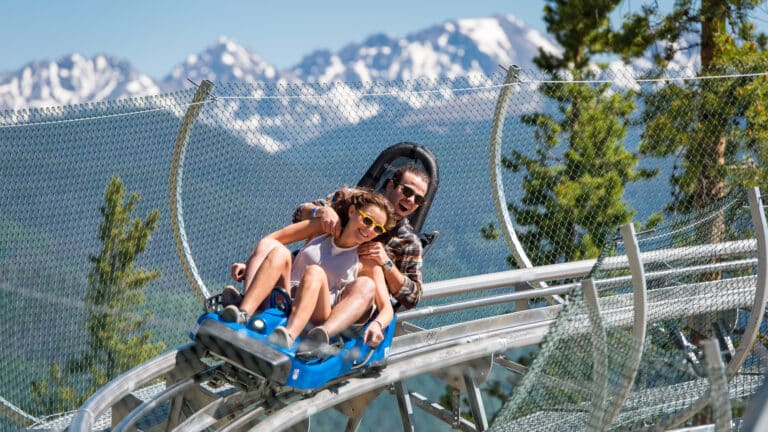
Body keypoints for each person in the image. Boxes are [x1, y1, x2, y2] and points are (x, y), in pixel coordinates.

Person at [222, 188, 396, 349]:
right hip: (286, 294)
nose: (369, 230)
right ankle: (244, 312)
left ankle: (289, 335)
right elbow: (272, 240)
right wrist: (251, 264)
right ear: (352, 212)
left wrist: (377, 324)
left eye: (377, 229)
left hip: (317, 314)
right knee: (278, 251)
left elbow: (386, 308)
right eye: (367, 220)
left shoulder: (366, 259)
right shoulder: (323, 228)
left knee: (317, 273)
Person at [291, 165, 430, 309]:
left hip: (349, 304)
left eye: (418, 199)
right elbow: (299, 214)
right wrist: (321, 211)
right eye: (407, 191)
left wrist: (387, 263)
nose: (411, 200)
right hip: (309, 276)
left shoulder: (408, 241)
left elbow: (413, 297)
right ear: (390, 186)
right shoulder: (352, 199)